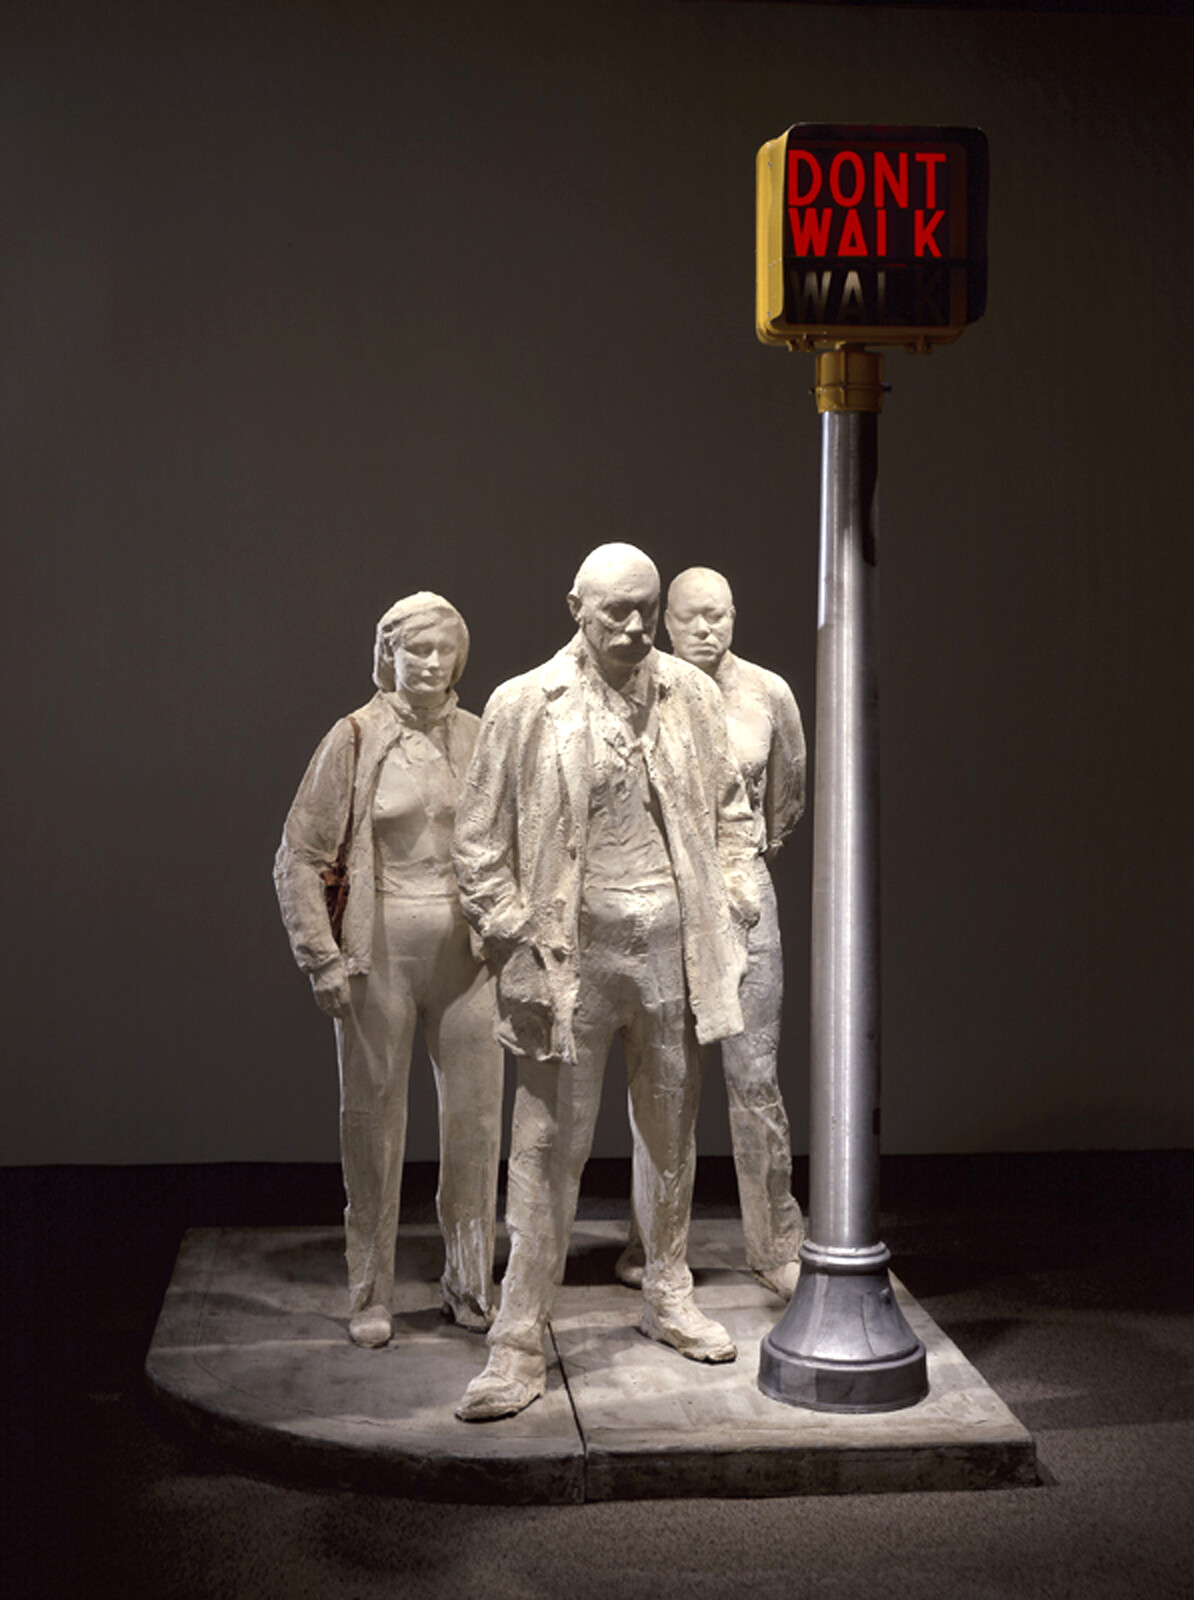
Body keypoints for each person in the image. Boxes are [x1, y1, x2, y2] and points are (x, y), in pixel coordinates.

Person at [451, 543, 760, 1421]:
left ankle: (667, 1290)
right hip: (567, 955)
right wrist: (513, 942)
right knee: (548, 1146)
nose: (633, 628)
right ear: (575, 609)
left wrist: (734, 900)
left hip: (668, 947)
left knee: (670, 1127)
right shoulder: (524, 704)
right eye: (614, 611)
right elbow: (478, 844)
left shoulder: (691, 696)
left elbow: (733, 814)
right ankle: (518, 1336)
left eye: (645, 610)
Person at [274, 593, 503, 1348]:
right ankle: (369, 1290)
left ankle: (471, 1283)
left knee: (476, 1128)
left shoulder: (478, 737)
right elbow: (299, 857)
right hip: (381, 954)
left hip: (467, 959)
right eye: (417, 652)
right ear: (388, 655)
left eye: (444, 651)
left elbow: (515, 842)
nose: (432, 665)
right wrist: (322, 957)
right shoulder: (356, 737)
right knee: (372, 1129)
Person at [616, 567, 806, 1299]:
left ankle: (775, 1242)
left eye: (719, 616)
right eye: (692, 618)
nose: (707, 630)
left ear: (735, 616)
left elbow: (786, 790)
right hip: (668, 894)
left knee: (755, 1075)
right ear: (665, 623)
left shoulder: (767, 691)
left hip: (745, 888)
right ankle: (651, 1243)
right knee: (665, 1081)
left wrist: (749, 858)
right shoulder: (643, 687)